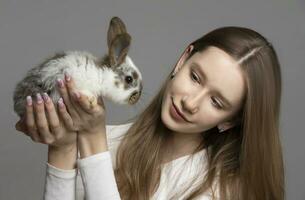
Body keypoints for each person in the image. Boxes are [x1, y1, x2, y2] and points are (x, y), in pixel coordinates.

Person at [15, 26, 285, 200]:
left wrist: (91, 138)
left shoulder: (222, 191)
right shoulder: (108, 141)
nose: (191, 102)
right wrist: (62, 149)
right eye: (195, 77)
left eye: (216, 102)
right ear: (183, 60)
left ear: (230, 120)